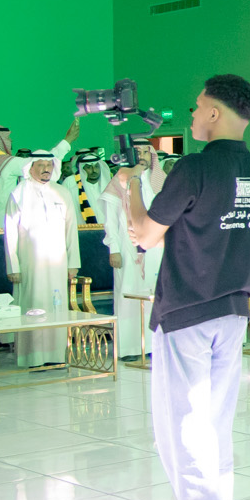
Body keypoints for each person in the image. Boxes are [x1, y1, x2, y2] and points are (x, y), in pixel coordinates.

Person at [124, 73, 250, 500]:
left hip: (188, 309)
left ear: (214, 112)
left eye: (196, 106)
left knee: (183, 428)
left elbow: (145, 234)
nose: (190, 115)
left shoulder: (194, 167)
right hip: (232, 310)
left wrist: (129, 186)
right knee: (214, 425)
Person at [3, 151, 77, 368]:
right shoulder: (19, 193)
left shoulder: (62, 192)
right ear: (31, 167)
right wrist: (13, 266)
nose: (46, 169)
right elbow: (10, 233)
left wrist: (73, 263)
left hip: (58, 264)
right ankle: (33, 358)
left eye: (49, 165)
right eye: (41, 165)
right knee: (33, 307)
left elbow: (71, 230)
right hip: (30, 265)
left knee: (57, 307)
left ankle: (57, 356)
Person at [103, 137, 166, 361]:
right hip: (127, 247)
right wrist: (113, 248)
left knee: (155, 295)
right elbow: (110, 219)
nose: (141, 156)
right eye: (137, 152)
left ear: (152, 155)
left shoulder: (161, 181)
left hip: (157, 248)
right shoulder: (119, 181)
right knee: (128, 295)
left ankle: (153, 346)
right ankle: (130, 348)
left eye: (145, 152)